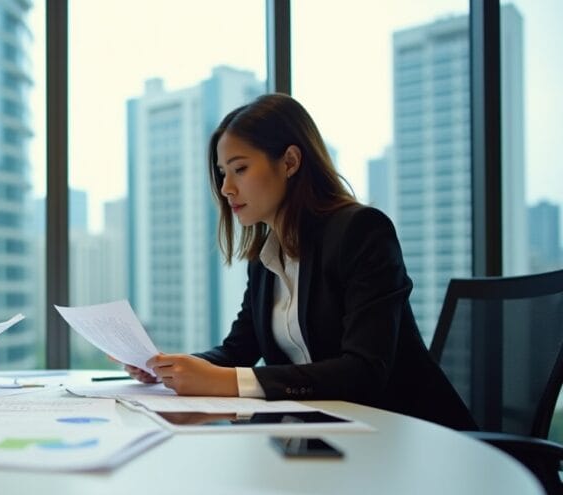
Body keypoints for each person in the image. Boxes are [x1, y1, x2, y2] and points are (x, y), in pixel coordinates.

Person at [122, 93, 476, 430]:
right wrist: (170, 368)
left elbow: (364, 371)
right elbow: (236, 351)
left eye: (239, 169)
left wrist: (226, 380)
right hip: (325, 433)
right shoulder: (265, 259)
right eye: (222, 173)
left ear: (290, 161)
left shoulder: (361, 232)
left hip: (407, 438)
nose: (227, 188)